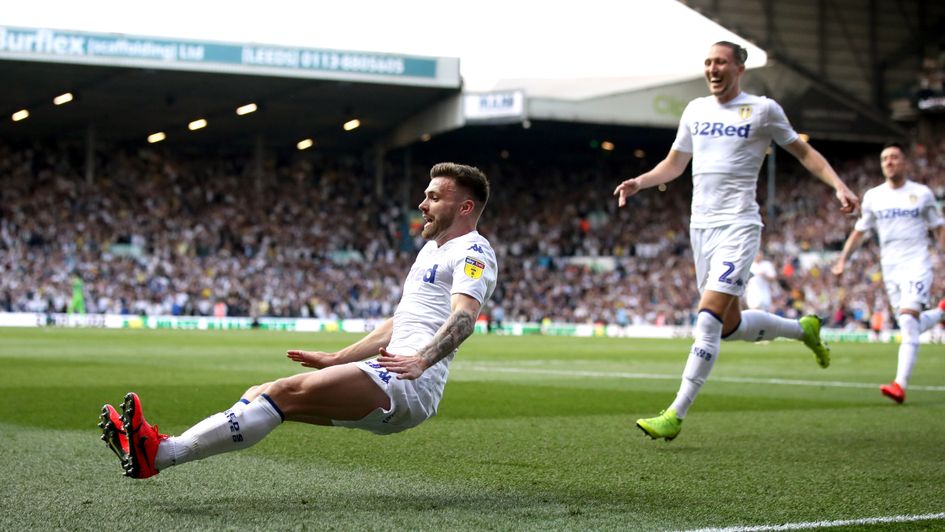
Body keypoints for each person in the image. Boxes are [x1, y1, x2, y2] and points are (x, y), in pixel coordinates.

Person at [99, 162, 498, 478]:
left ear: (464, 207)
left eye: (433, 197)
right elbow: (396, 325)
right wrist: (336, 358)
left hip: (410, 382)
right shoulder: (430, 251)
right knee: (264, 392)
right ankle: (157, 450)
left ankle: (159, 454)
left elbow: (464, 317)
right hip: (389, 369)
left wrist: (422, 359)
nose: (421, 204)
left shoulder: (473, 251)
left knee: (284, 392)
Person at [613, 41, 859, 441]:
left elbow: (803, 152)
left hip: (739, 226)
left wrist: (838, 185)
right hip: (701, 228)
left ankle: (675, 413)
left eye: (721, 62)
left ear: (738, 68)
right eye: (708, 62)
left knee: (707, 317)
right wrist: (641, 181)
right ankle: (803, 330)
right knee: (730, 326)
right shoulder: (695, 110)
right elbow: (675, 164)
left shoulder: (762, 110)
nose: (713, 68)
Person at [831, 143, 945, 404]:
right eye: (885, 159)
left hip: (917, 263)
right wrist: (842, 259)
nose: (890, 162)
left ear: (904, 163)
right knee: (910, 324)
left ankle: (899, 385)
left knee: (907, 321)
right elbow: (861, 230)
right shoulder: (873, 197)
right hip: (890, 268)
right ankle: (940, 313)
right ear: (882, 165)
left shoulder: (922, 194)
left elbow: (938, 228)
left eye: (894, 157)